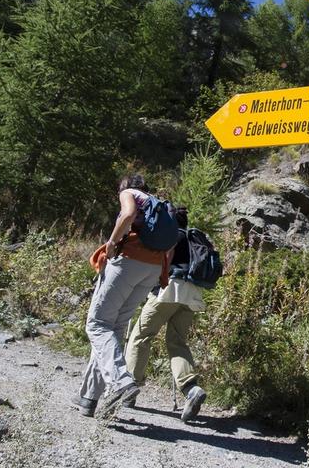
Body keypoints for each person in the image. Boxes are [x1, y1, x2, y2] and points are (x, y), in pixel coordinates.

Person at [71, 174, 174, 419]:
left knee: (97, 324)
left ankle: (121, 383)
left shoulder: (131, 194)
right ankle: (89, 397)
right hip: (151, 269)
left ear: (125, 186)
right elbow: (170, 248)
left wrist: (111, 242)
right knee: (114, 328)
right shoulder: (159, 206)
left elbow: (127, 214)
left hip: (127, 263)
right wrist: (162, 275)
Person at [124, 206, 207, 423]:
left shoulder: (172, 236)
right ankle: (191, 388)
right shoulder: (192, 238)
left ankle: (129, 386)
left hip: (169, 289)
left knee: (141, 336)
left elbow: (166, 260)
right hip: (192, 294)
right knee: (177, 341)